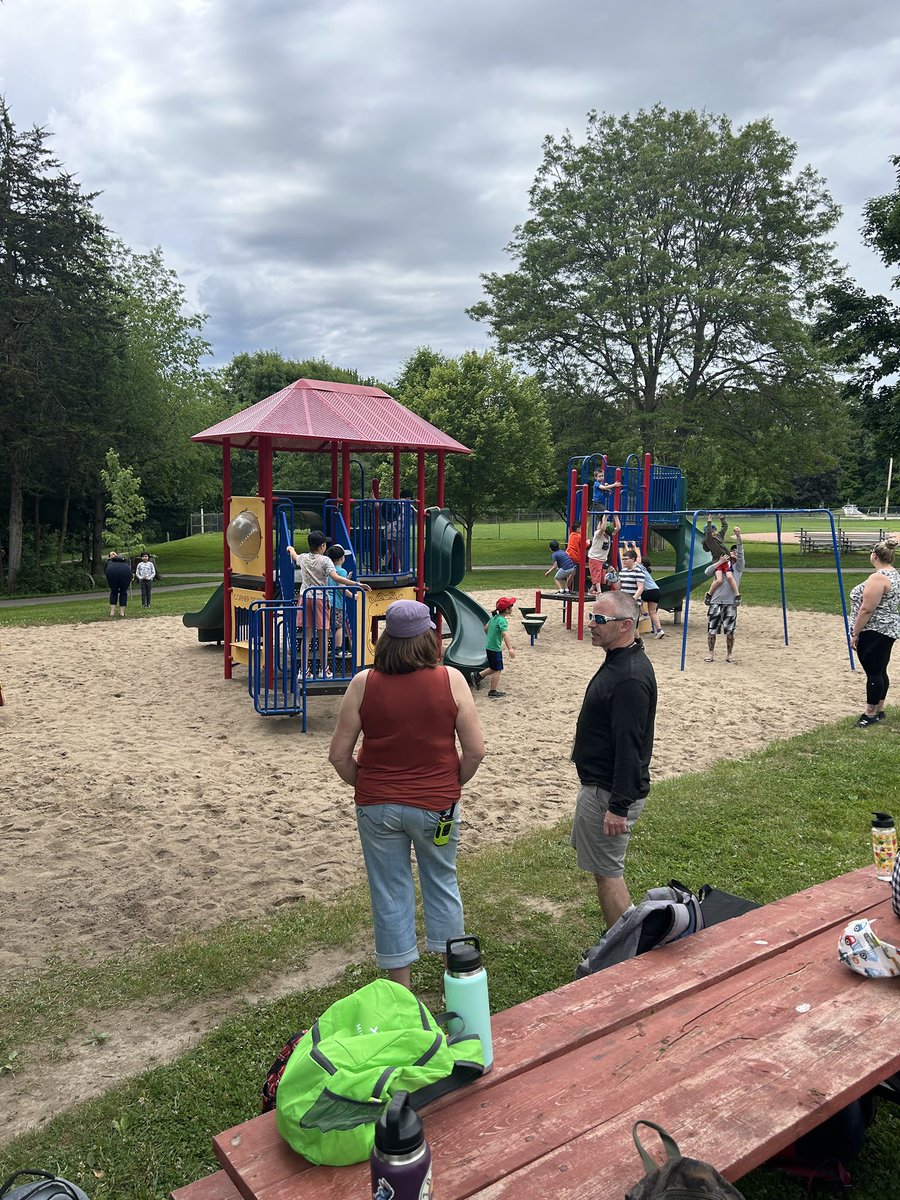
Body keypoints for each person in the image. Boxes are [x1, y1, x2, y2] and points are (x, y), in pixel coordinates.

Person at [328, 600, 486, 988]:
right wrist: (453, 783)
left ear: (387, 639)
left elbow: (339, 756)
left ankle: (401, 988)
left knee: (389, 890)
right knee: (442, 882)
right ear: (428, 637)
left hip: (378, 805)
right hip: (437, 804)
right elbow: (475, 750)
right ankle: (456, 978)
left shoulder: (363, 683)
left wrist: (366, 785)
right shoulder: (451, 680)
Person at [570, 590, 657, 928]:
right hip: (601, 787)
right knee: (603, 870)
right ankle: (623, 943)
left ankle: (626, 948)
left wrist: (618, 806)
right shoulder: (621, 660)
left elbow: (629, 746)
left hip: (608, 792)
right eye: (592, 616)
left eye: (599, 619)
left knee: (609, 874)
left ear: (624, 626)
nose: (591, 624)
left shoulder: (629, 678)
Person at [287, 531, 369, 678]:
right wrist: (357, 584)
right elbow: (336, 577)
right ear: (322, 546)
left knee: (307, 636)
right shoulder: (325, 561)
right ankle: (324, 669)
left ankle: (304, 670)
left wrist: (290, 548)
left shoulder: (304, 558)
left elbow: (294, 555)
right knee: (323, 635)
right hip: (320, 598)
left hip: (305, 597)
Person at [849, 538, 900, 728]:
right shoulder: (893, 573)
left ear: (875, 556)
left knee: (873, 672)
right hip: (887, 628)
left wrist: (855, 632)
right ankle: (878, 709)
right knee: (879, 669)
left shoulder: (877, 578)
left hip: (875, 629)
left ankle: (869, 714)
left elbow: (866, 609)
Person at [703, 526, 743, 663]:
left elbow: (741, 552)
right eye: (733, 551)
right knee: (712, 629)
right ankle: (710, 654)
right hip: (715, 601)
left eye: (736, 552)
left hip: (730, 603)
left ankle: (729, 655)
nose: (735, 553)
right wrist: (719, 562)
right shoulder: (720, 565)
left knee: (730, 631)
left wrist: (738, 536)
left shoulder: (738, 567)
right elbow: (707, 572)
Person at [473, 596, 516, 698]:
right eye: (511, 606)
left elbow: (485, 628)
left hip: (489, 646)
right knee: (498, 670)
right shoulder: (502, 620)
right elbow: (504, 634)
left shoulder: (494, 618)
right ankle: (493, 691)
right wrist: (510, 648)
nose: (512, 608)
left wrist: (491, 637)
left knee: (493, 667)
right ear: (507, 609)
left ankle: (477, 676)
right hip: (495, 648)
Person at [625, 541, 665, 638]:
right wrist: (634, 546)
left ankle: (644, 613)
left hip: (649, 592)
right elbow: (635, 557)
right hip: (657, 591)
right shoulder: (645, 570)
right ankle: (659, 630)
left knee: (637, 596)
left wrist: (627, 546)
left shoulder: (639, 567)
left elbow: (632, 557)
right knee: (653, 612)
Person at [325, 544, 353, 659]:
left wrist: (347, 579)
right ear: (342, 558)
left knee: (327, 626)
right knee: (339, 626)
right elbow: (341, 589)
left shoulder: (327, 570)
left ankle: (326, 649)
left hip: (327, 601)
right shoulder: (341, 571)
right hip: (337, 603)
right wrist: (353, 595)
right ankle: (338, 649)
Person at [587, 513, 621, 595]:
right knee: (597, 575)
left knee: (601, 575)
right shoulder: (598, 534)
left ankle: (591, 590)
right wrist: (605, 517)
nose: (607, 535)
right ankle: (599, 591)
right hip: (595, 558)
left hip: (602, 559)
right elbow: (602, 529)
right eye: (606, 533)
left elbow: (618, 528)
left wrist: (616, 517)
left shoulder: (608, 534)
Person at [104, 551, 133, 618]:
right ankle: (120, 612)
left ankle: (114, 612)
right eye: (111, 554)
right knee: (123, 592)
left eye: (114, 554)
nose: (113, 555)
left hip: (112, 573)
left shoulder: (109, 563)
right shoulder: (124, 562)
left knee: (114, 592)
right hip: (125, 572)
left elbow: (105, 572)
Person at [566, 521, 584, 591]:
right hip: (574, 557)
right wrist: (588, 542)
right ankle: (566, 587)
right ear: (577, 529)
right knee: (573, 573)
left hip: (568, 555)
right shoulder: (578, 536)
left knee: (570, 572)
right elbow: (584, 545)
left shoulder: (571, 535)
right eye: (581, 528)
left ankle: (567, 587)